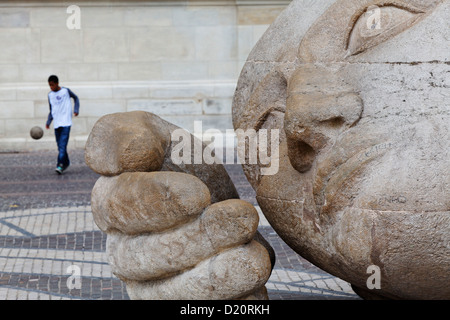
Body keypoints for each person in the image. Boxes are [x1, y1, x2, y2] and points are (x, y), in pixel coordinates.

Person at [45, 75, 80, 174]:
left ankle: (60, 165)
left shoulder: (65, 91)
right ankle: (66, 162)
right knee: (60, 146)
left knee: (62, 145)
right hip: (57, 124)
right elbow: (52, 110)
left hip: (66, 123)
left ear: (57, 83)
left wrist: (76, 110)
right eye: (49, 85)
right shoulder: (50, 95)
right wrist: (48, 122)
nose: (51, 87)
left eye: (52, 85)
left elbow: (76, 98)